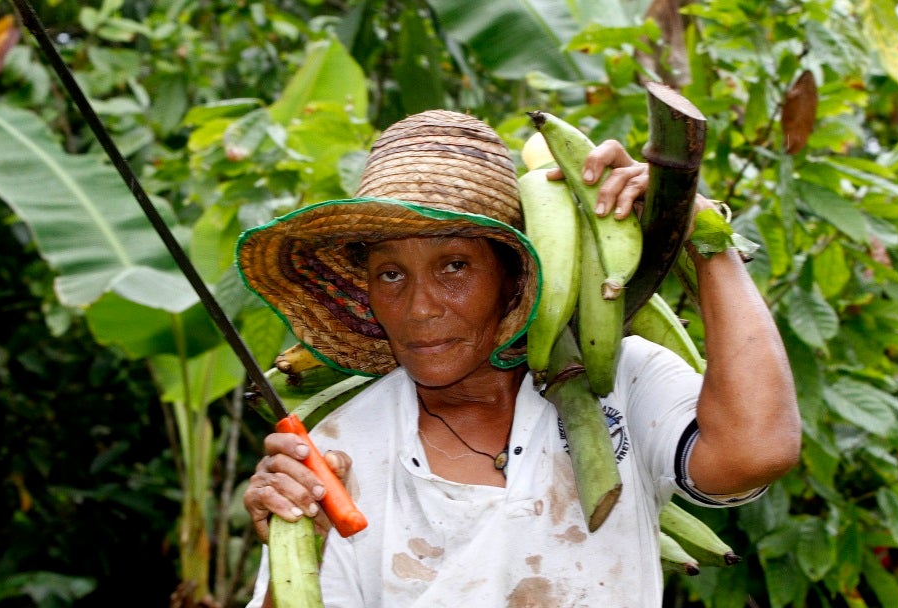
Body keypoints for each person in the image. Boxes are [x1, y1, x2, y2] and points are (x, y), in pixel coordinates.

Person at [237, 109, 801, 607]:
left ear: (516, 276)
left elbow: (755, 452)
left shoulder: (619, 383)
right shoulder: (339, 453)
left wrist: (704, 234)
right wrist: (296, 544)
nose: (420, 308)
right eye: (391, 275)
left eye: (454, 266)